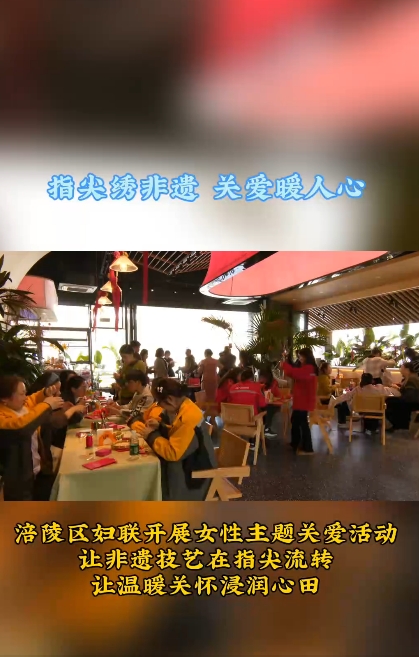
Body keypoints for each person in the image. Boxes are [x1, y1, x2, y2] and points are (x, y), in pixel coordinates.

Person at [137, 378, 217, 501]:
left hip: (196, 477)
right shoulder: (187, 405)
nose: (160, 407)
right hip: (194, 464)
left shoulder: (188, 418)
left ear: (169, 399)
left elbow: (173, 453)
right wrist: (161, 427)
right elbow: (179, 434)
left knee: (153, 471)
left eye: (159, 403)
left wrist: (151, 435)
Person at [0, 375, 65, 500]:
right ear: (4, 399)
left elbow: (33, 398)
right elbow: (21, 426)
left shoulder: (20, 406)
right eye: (21, 394)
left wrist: (45, 393)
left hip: (38, 471)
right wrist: (47, 405)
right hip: (18, 483)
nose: (25, 397)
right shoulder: (3, 417)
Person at [27, 373, 86, 497]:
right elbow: (55, 422)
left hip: (43, 462)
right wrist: (73, 409)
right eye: (56, 390)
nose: (59, 393)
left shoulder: (49, 405)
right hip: (36, 466)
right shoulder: (35, 408)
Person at [330, 372, 399, 433]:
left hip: (361, 411)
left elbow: (345, 396)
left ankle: (342, 422)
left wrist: (334, 401)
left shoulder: (357, 389)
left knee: (345, 402)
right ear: (372, 380)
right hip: (377, 411)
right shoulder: (380, 389)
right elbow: (395, 393)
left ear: (361, 380)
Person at [282, 348, 318, 455]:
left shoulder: (309, 368)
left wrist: (284, 365)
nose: (300, 358)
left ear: (307, 357)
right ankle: (295, 443)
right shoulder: (307, 368)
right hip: (301, 400)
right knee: (295, 421)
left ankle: (308, 448)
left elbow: (295, 373)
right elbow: (293, 372)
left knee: (302, 423)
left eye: (301, 356)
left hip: (304, 400)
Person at [386, 362, 419, 431]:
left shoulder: (412, 379)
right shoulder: (409, 377)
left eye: (401, 368)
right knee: (390, 400)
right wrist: (398, 388)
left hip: (413, 402)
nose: (400, 370)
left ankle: (398, 424)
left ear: (407, 369)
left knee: (389, 403)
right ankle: (399, 424)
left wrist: (398, 392)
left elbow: (410, 395)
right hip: (411, 400)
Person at [258, 368, 282, 437]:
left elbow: (278, 395)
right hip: (263, 404)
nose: (261, 378)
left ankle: (266, 428)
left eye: (263, 377)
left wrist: (272, 397)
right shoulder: (259, 383)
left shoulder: (274, 383)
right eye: (260, 376)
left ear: (268, 377)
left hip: (272, 404)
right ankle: (263, 428)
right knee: (262, 408)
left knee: (269, 408)